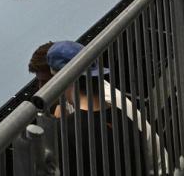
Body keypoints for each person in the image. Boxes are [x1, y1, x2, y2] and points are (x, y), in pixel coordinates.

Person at [28, 41, 166, 175]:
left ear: (60, 79)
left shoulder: (112, 103)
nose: (41, 89)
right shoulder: (102, 105)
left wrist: (59, 129)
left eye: (46, 82)